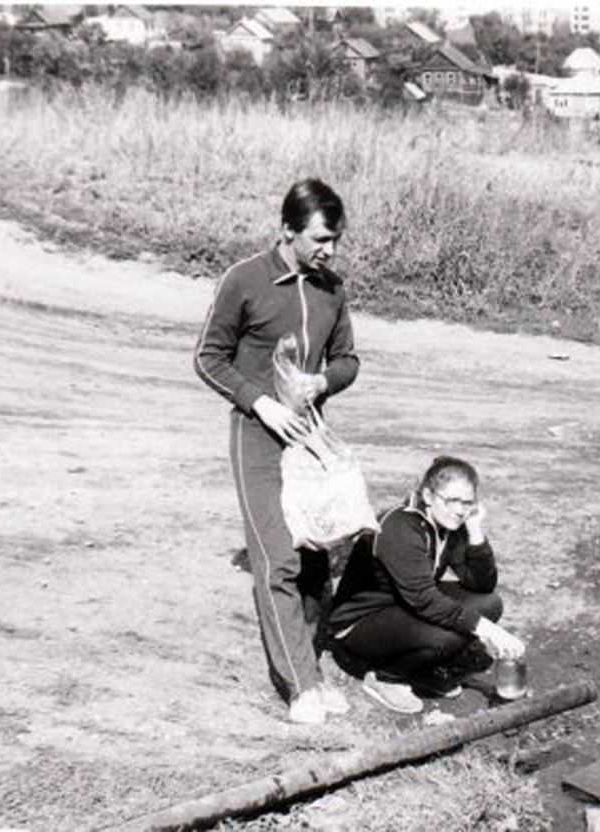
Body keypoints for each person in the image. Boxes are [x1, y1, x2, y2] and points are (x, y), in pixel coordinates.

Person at [194, 178, 361, 725]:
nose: (329, 250)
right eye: (319, 239)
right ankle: (300, 687)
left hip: (311, 440)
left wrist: (323, 384)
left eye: (335, 239)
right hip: (257, 435)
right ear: (287, 230)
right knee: (277, 561)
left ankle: (308, 665)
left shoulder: (331, 290)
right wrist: (259, 402)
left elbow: (348, 360)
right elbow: (208, 358)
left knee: (315, 563)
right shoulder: (244, 280)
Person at [328, 456, 525, 714]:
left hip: (403, 608)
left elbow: (481, 585)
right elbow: (424, 599)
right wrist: (489, 631)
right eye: (452, 500)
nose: (460, 510)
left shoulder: (449, 525)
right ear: (429, 496)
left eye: (468, 503)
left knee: (489, 604)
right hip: (361, 622)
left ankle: (422, 671)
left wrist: (475, 531)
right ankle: (386, 678)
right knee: (448, 635)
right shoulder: (400, 526)